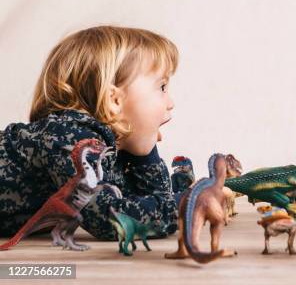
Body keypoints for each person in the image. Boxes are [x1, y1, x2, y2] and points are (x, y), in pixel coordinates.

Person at [0, 25, 179, 239]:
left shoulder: (105, 151)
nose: (171, 103)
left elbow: (141, 201)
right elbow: (111, 220)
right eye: (162, 87)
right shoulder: (67, 139)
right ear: (114, 100)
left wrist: (146, 155)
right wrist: (182, 205)